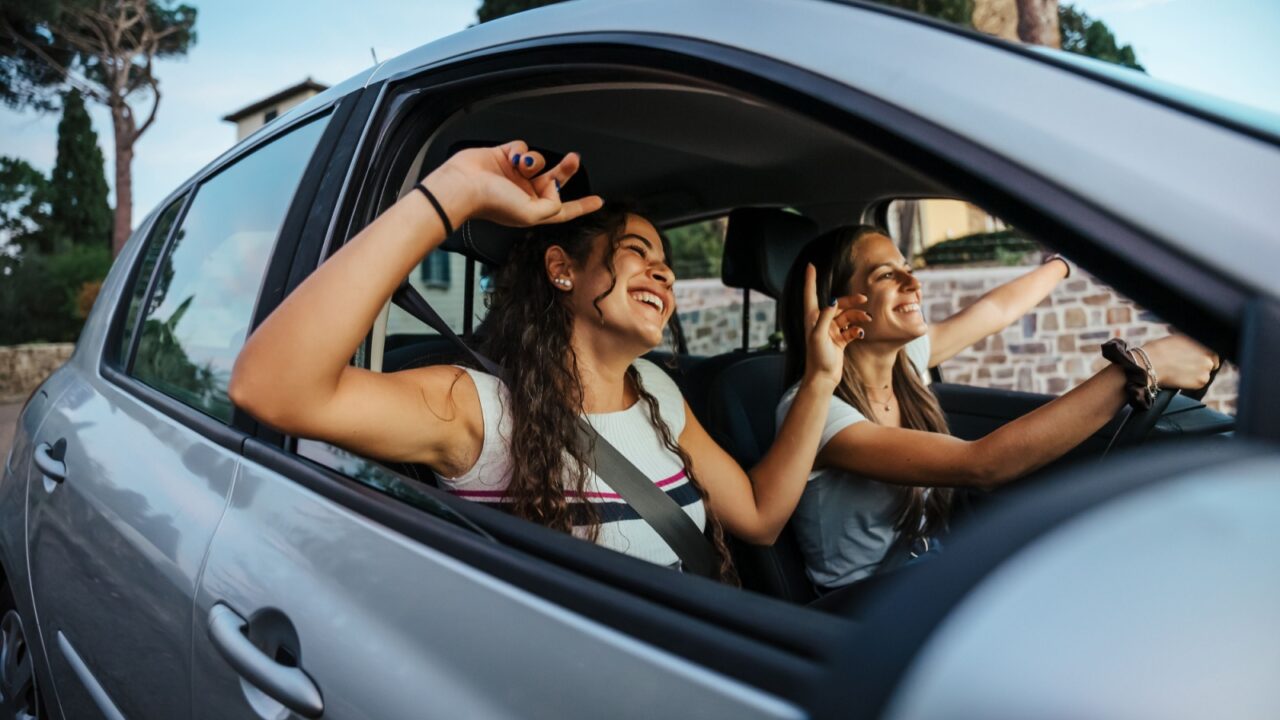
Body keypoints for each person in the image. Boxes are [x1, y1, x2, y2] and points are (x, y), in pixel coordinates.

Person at [229, 140, 870, 581]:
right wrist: (452, 191)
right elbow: (271, 389)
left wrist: (819, 379)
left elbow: (759, 520)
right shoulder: (472, 408)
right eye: (636, 250)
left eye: (665, 261)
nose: (664, 270)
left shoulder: (655, 391)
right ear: (562, 270)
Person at [777, 225, 1218, 592]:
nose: (914, 284)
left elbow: (997, 308)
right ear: (836, 307)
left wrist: (1066, 262)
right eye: (886, 276)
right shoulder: (815, 408)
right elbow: (982, 465)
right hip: (862, 606)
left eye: (909, 269)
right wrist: (1138, 367)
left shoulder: (905, 362)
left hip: (929, 570)